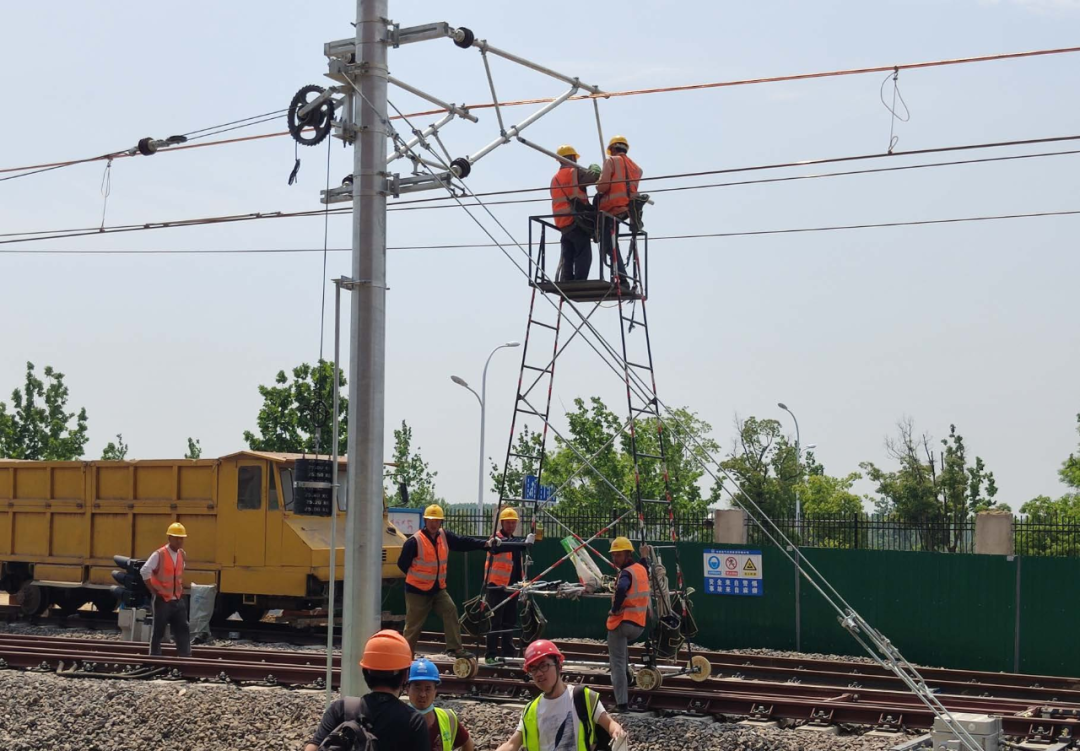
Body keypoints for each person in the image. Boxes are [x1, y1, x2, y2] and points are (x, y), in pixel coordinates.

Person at [398, 504, 518, 657]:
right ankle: (405, 655)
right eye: (431, 520)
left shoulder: (444, 536)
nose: (434, 523)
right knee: (414, 625)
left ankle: (455, 649)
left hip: (438, 589)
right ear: (425, 520)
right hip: (417, 591)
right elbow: (402, 564)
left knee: (450, 610)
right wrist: (418, 577)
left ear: (441, 522)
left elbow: (462, 542)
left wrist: (484, 544)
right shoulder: (414, 541)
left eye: (437, 520)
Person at [304, 629, 428, 751]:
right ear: (405, 676)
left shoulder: (340, 709)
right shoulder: (413, 721)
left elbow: (312, 748)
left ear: (365, 672)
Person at [495, 639, 626, 751]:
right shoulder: (531, 710)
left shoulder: (582, 697)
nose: (539, 673)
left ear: (559, 665)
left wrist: (616, 731)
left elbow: (610, 724)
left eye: (544, 665)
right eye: (533, 669)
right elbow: (512, 744)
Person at [483, 507, 535, 665]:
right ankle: (491, 654)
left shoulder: (514, 541)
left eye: (514, 523)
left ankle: (508, 653)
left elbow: (517, 559)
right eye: (509, 523)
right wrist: (524, 543)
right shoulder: (496, 539)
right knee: (495, 622)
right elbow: (506, 546)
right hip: (497, 587)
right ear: (502, 523)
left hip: (513, 587)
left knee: (509, 622)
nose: (511, 526)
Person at [606, 536, 651, 712]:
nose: (615, 559)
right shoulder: (640, 569)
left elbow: (623, 587)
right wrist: (644, 556)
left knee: (616, 662)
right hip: (638, 625)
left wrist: (615, 608)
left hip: (622, 622)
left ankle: (621, 704)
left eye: (618, 555)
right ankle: (628, 677)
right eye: (613, 555)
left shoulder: (625, 573)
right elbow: (644, 567)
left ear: (627, 555)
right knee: (621, 654)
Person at [594, 135, 643, 285]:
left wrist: (598, 182)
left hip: (611, 209)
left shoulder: (611, 161)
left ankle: (622, 278)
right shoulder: (636, 168)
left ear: (613, 149)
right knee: (611, 244)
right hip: (626, 210)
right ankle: (621, 277)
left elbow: (603, 187)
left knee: (610, 246)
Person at [140, 521, 192, 657]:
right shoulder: (160, 554)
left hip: (177, 599)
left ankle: (185, 656)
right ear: (169, 538)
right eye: (176, 538)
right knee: (158, 631)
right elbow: (144, 570)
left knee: (183, 629)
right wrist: (152, 590)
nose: (179, 541)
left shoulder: (181, 554)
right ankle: (155, 656)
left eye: (181, 538)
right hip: (162, 599)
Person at [550, 144, 599, 282]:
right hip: (576, 220)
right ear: (572, 157)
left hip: (562, 223)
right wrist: (595, 167)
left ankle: (566, 279)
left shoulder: (555, 179)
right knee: (583, 253)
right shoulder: (575, 172)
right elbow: (594, 176)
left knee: (568, 253)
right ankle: (580, 279)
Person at [406, 657, 475, 751]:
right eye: (417, 688)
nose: (422, 694)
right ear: (407, 690)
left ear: (435, 692)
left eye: (428, 689)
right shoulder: (396, 719)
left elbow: (467, 743)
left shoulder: (447, 717)